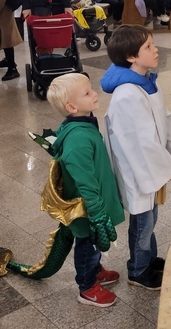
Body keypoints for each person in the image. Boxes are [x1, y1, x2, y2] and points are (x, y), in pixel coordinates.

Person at [101, 25, 171, 290]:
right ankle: (138, 269)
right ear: (131, 58)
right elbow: (139, 144)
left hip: (152, 167)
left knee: (151, 217)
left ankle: (149, 259)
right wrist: (164, 166)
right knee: (143, 222)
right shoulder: (127, 94)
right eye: (148, 47)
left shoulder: (146, 81)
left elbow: (165, 118)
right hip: (139, 171)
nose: (156, 49)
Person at [46, 73, 125, 307]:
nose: (94, 94)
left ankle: (95, 269)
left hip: (93, 203)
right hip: (87, 208)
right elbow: (85, 181)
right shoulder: (78, 138)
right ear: (71, 106)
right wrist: (97, 214)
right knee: (87, 244)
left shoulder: (83, 123)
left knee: (92, 244)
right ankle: (87, 286)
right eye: (87, 93)